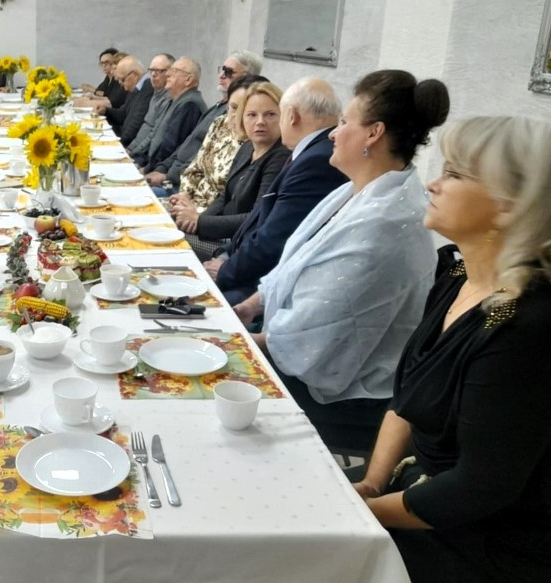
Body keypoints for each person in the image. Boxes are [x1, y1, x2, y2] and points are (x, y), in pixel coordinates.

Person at [352, 116, 551, 582]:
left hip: (477, 546)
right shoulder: (462, 278)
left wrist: (367, 514)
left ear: (508, 206)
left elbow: (478, 488)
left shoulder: (523, 324)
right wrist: (372, 482)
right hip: (412, 499)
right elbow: (410, 395)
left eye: (455, 174)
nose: (434, 183)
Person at [234, 69, 449, 453]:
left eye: (345, 121)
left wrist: (244, 344)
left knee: (212, 394)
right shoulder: (359, 191)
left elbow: (313, 338)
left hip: (350, 393)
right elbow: (293, 263)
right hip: (298, 344)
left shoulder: (386, 223)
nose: (333, 132)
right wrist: (251, 305)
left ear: (374, 133)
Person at [207, 77, 347, 303]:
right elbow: (260, 217)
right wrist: (225, 251)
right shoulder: (310, 151)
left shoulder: (316, 159)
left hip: (261, 284)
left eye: (275, 114)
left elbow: (274, 239)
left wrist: (225, 270)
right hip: (247, 263)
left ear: (291, 115)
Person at [181, 81, 288, 250]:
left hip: (239, 244)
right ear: (242, 118)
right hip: (219, 232)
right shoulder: (247, 147)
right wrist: (194, 220)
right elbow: (225, 195)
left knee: (174, 240)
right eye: (252, 115)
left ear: (284, 116)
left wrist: (200, 222)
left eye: (270, 114)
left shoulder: (280, 157)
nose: (260, 122)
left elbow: (257, 217)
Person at [146, 51, 263, 191]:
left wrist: (167, 175)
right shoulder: (217, 107)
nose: (221, 75)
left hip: (183, 185)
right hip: (175, 177)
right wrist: (162, 167)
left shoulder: (231, 117)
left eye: (229, 71)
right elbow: (186, 144)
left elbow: (204, 159)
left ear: (247, 78)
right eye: (222, 69)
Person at [132, 56, 206, 172]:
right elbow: (155, 135)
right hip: (151, 165)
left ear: (188, 80)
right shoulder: (176, 100)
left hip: (162, 174)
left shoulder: (190, 105)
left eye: (175, 71)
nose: (168, 74)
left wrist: (147, 169)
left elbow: (170, 147)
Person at [127, 53, 174, 154]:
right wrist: (129, 149)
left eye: (159, 71)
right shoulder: (155, 93)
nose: (153, 74)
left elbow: (153, 134)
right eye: (151, 70)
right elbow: (145, 127)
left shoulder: (169, 99)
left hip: (144, 156)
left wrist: (132, 153)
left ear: (170, 73)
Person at [102, 55, 150, 145]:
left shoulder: (148, 88)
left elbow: (136, 125)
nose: (123, 86)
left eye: (123, 80)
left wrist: (118, 144)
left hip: (130, 145)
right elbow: (123, 114)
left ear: (135, 75)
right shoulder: (136, 87)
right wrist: (105, 111)